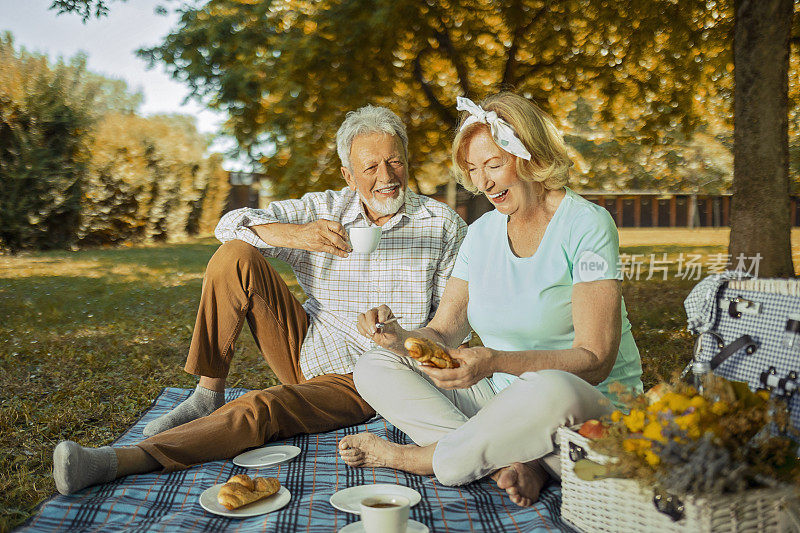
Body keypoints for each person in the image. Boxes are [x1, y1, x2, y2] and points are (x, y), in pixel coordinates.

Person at [52, 105, 467, 495]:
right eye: (370, 166)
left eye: (394, 161)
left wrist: (401, 339)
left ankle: (119, 461)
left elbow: (453, 328)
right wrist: (297, 235)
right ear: (347, 174)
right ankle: (207, 394)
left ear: (407, 160)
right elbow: (229, 224)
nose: (386, 176)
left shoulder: (443, 224)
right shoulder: (323, 208)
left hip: (372, 375)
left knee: (263, 405)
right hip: (305, 346)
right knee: (235, 254)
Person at [338, 93, 643, 507]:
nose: (483, 182)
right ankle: (513, 461)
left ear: (530, 155)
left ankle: (422, 458)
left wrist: (496, 360)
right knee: (374, 366)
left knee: (553, 389)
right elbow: (445, 330)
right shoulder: (481, 233)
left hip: (589, 405)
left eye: (495, 164)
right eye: (474, 169)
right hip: (499, 400)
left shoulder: (586, 224)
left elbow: (595, 360)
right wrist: (400, 339)